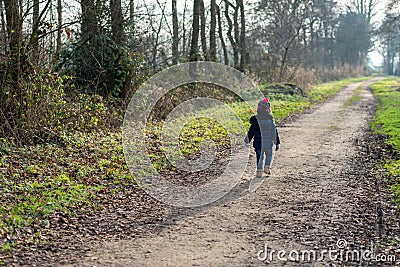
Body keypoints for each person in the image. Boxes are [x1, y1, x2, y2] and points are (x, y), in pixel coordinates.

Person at [244, 98, 280, 177]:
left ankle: (259, 171)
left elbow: (251, 132)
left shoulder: (255, 121)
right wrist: (277, 143)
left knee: (260, 156)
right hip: (268, 143)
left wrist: (247, 141)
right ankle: (267, 167)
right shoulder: (270, 120)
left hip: (258, 143)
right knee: (269, 154)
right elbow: (274, 132)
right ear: (268, 109)